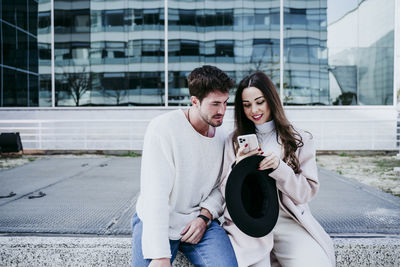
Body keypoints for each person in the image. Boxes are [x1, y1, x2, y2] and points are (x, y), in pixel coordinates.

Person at [220, 72, 336, 267]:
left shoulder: (299, 139)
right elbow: (225, 193)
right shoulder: (233, 142)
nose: (254, 110)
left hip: (289, 221)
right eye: (247, 105)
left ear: (271, 100)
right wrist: (239, 169)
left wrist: (279, 168)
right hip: (250, 225)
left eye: (260, 102)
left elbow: (306, 193)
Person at [132, 65, 238, 267]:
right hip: (158, 220)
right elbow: (155, 194)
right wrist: (160, 255)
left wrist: (204, 217)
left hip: (199, 221)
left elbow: (222, 186)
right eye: (215, 104)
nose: (222, 111)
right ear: (195, 102)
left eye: (225, 103)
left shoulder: (223, 136)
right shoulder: (163, 128)